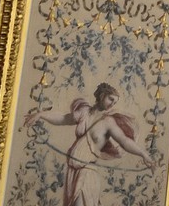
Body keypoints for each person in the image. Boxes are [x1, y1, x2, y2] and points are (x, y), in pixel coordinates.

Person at [22, 83, 157, 204]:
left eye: (115, 102)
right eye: (110, 99)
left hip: (87, 172)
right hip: (72, 172)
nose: (112, 104)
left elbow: (124, 140)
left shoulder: (108, 122)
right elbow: (64, 118)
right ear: (102, 96)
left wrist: (144, 154)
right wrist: (41, 115)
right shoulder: (84, 112)